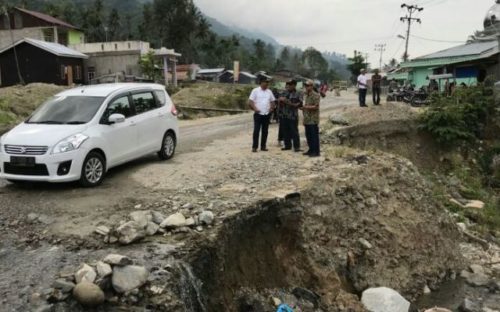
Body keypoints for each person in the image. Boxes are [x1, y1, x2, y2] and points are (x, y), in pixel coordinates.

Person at [248, 78, 276, 153]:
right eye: (265, 82)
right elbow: (251, 101)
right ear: (261, 82)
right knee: (256, 130)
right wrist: (255, 108)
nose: (266, 84)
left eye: (267, 83)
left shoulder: (269, 92)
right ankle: (254, 147)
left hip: (266, 114)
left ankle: (263, 146)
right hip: (258, 114)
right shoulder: (255, 90)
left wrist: (271, 108)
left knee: (265, 131)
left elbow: (273, 101)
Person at [278, 80, 302, 152]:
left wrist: (289, 103)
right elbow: (279, 101)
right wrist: (280, 100)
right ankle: (287, 145)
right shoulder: (284, 92)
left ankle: (296, 147)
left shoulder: (298, 93)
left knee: (294, 131)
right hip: (284, 115)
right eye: (288, 84)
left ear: (294, 85)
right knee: (285, 131)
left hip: (293, 116)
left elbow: (300, 104)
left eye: (290, 84)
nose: (289, 86)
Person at [301, 80, 321, 157]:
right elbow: (305, 105)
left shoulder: (316, 95)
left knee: (314, 136)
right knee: (308, 135)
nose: (306, 87)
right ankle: (311, 150)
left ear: (312, 86)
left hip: (313, 119)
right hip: (307, 118)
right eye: (305, 85)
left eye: (308, 85)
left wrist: (306, 107)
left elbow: (316, 106)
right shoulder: (306, 95)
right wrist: (303, 108)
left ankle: (316, 152)